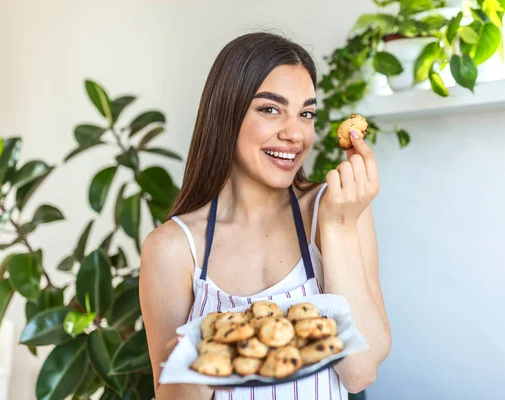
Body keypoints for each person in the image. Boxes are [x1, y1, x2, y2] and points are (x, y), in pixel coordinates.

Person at [139, 31, 391, 400]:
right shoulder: (172, 248)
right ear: (227, 112)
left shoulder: (333, 211)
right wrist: (201, 358)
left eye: (306, 113)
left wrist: (338, 227)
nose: (295, 134)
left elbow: (360, 372)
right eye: (270, 109)